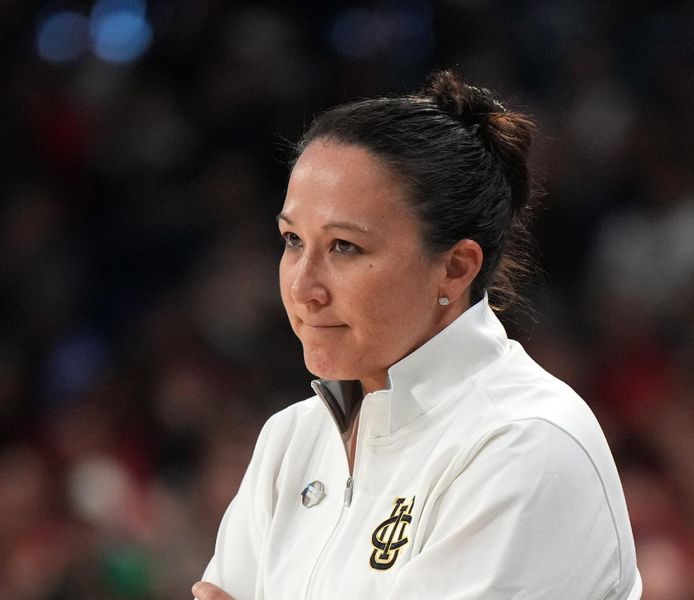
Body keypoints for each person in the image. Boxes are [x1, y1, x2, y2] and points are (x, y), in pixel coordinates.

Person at [192, 70, 642, 600]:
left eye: (344, 247)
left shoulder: (525, 444)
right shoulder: (291, 441)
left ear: (455, 268)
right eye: (293, 240)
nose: (303, 287)